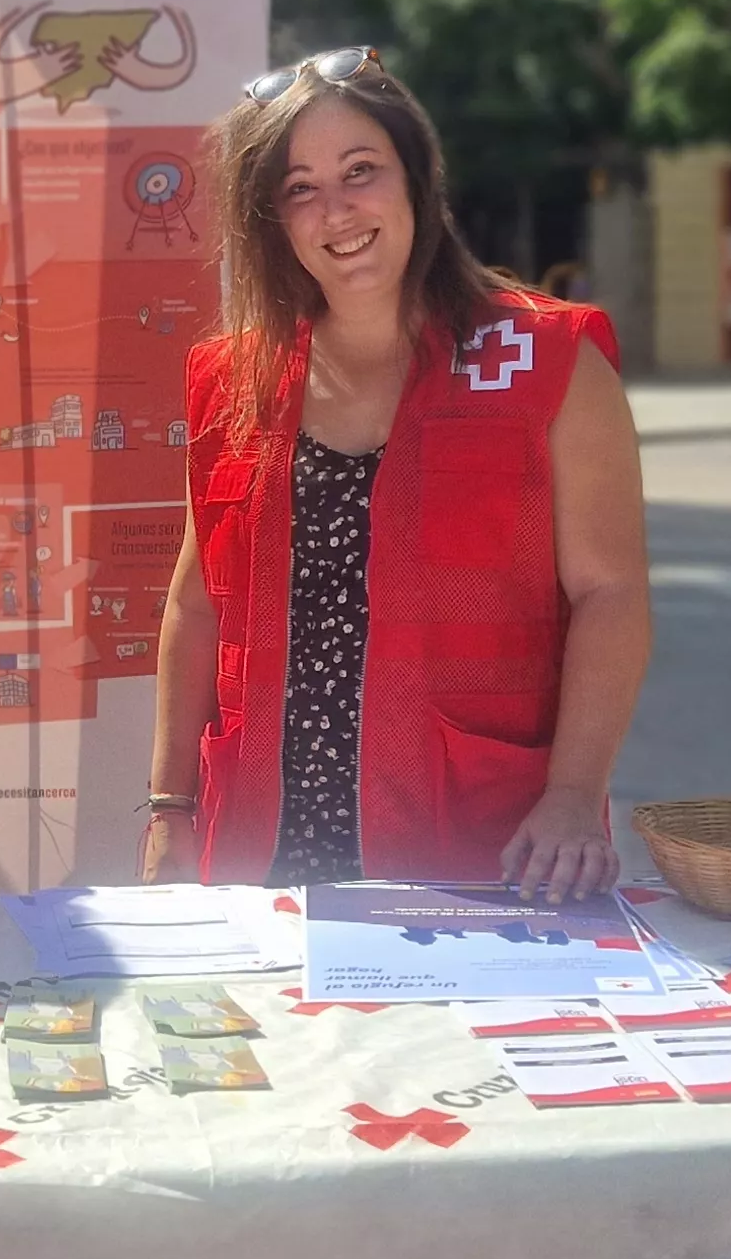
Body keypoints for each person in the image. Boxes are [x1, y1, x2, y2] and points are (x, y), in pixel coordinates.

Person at [143, 49, 653, 900]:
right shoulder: (233, 378)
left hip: (483, 847)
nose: (337, 209)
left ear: (416, 177)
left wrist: (573, 796)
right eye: (300, 187)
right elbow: (195, 605)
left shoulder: (545, 360)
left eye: (361, 170)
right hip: (259, 850)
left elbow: (611, 594)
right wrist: (170, 807)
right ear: (271, 218)